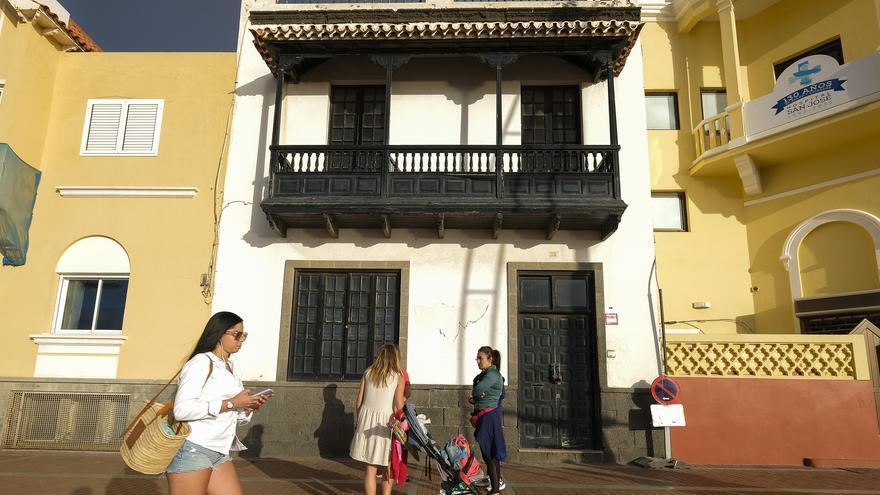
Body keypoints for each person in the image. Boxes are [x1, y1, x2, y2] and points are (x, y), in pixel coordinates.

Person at [166, 311, 272, 495]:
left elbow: (231, 411)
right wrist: (231, 403)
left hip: (220, 451)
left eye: (243, 335)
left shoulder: (229, 367)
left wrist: (246, 407)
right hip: (194, 448)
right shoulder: (200, 363)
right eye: (237, 335)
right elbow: (182, 410)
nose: (241, 340)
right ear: (219, 333)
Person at [350, 344, 406, 495]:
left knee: (370, 467)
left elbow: (359, 400)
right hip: (386, 422)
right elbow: (399, 405)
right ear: (395, 357)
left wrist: (360, 419)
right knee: (388, 465)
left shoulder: (368, 372)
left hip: (366, 419)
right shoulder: (397, 376)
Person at [469, 346, 507, 494]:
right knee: (490, 454)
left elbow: (477, 391)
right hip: (485, 416)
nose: (478, 361)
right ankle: (495, 487)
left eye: (480, 358)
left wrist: (478, 395)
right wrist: (479, 396)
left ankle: (496, 490)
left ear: (490, 359)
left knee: (489, 454)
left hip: (488, 417)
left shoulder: (492, 375)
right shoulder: (486, 374)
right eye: (477, 358)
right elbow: (478, 390)